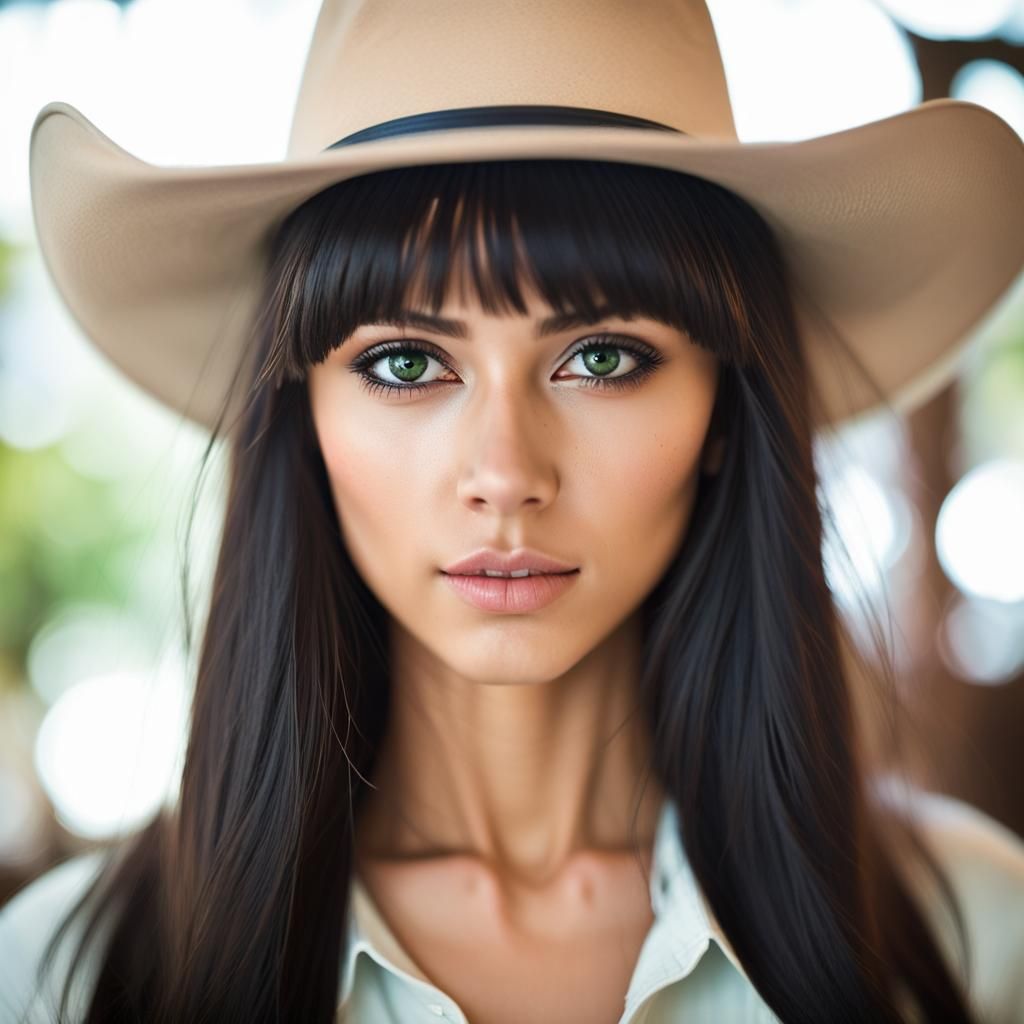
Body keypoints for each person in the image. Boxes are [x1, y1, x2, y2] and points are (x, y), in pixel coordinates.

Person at [5, 0, 1024, 1021]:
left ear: (723, 408)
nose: (504, 471)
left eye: (601, 358)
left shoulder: (977, 941)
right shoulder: (60, 976)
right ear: (302, 415)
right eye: (405, 362)